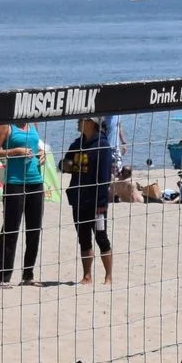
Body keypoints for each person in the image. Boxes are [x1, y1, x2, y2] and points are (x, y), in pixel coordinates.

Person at [0, 121, 46, 285]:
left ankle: (28, 276)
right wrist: (15, 151)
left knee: (34, 230)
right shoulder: (5, 125)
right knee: (11, 229)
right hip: (14, 182)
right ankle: (2, 277)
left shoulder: (33, 124)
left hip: (36, 181)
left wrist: (42, 153)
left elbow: (36, 146)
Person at [61, 116, 116, 285]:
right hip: (79, 199)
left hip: (96, 203)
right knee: (83, 238)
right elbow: (63, 164)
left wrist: (101, 204)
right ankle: (87, 276)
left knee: (101, 237)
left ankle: (108, 276)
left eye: (81, 119)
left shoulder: (102, 146)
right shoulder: (77, 144)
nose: (77, 122)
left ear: (91, 123)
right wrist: (65, 165)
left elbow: (104, 178)